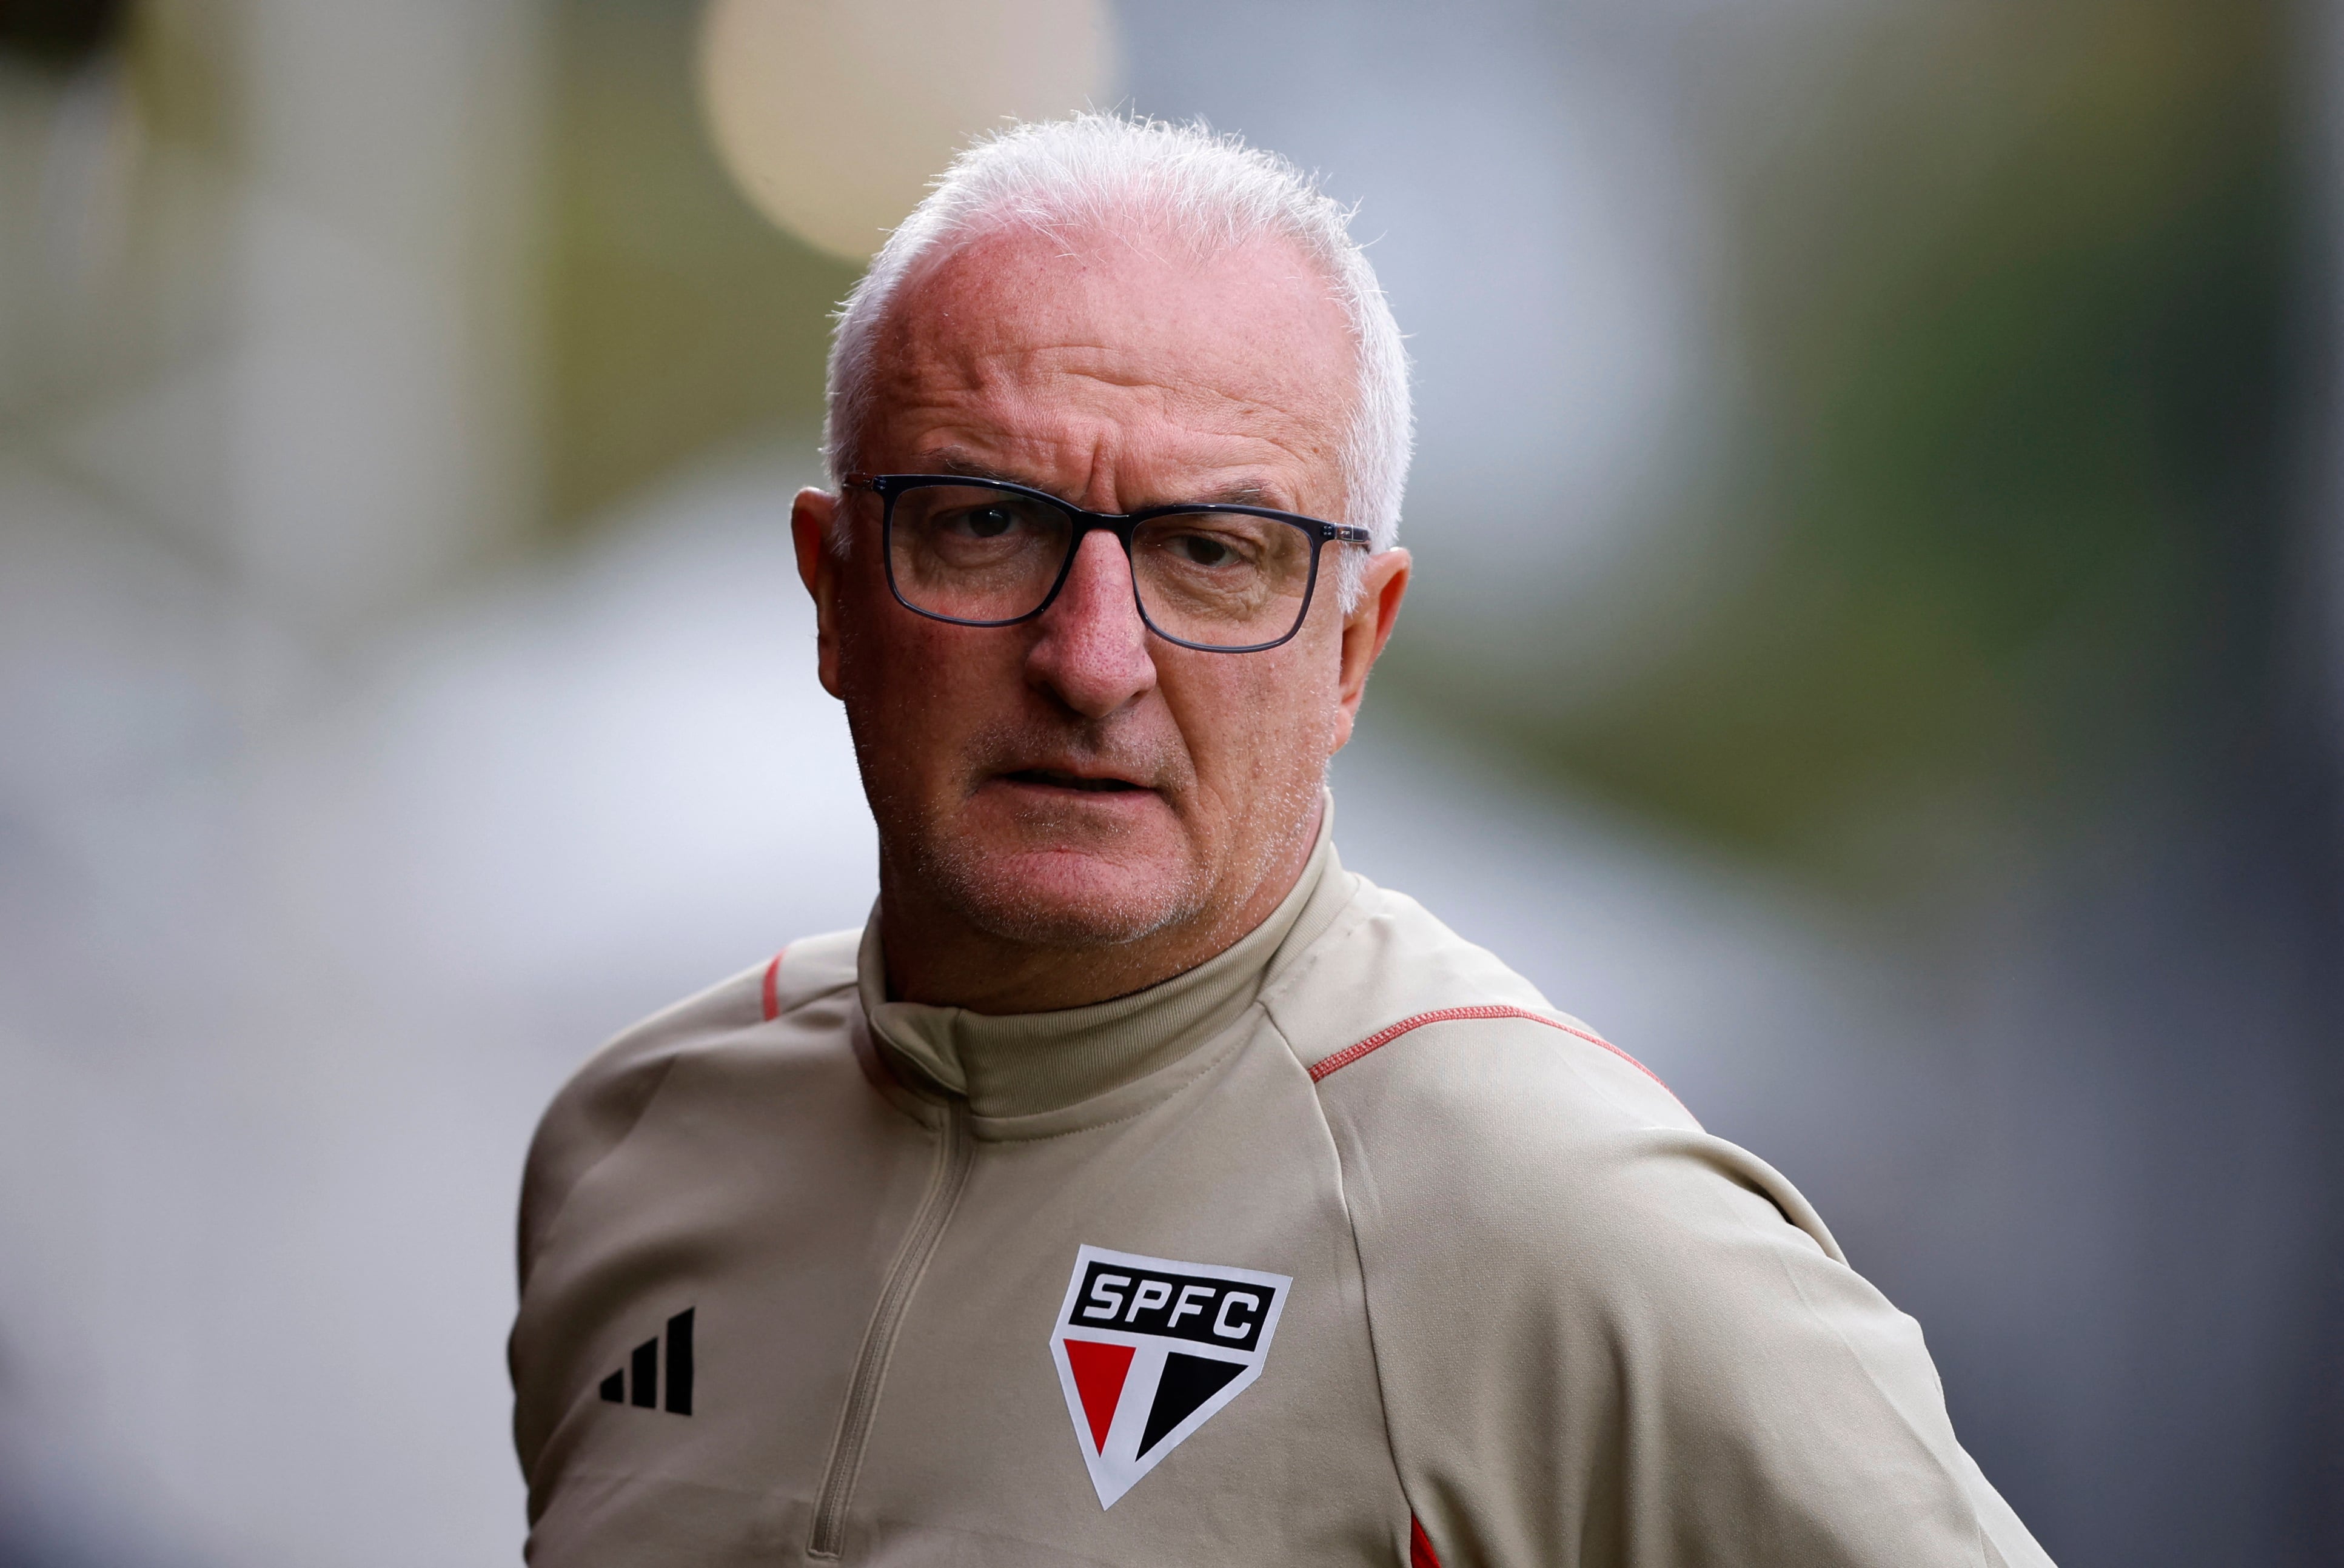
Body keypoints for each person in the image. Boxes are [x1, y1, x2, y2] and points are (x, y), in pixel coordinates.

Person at [507, 114, 2053, 1568]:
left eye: (1212, 553)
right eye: (985, 523)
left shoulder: (1560, 1221)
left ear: (1352, 649)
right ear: (833, 588)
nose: (1092, 657)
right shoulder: (634, 1146)